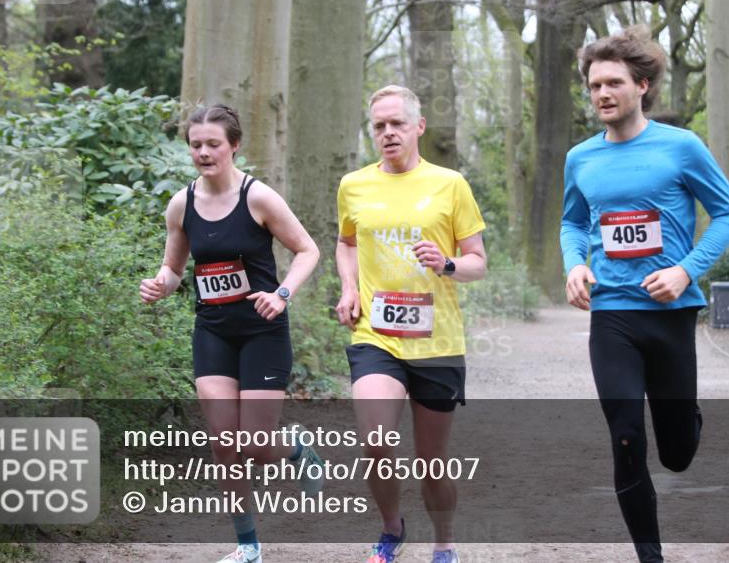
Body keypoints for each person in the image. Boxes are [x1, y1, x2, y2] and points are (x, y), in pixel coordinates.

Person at [560, 26, 729, 563]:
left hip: (670, 314)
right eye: (594, 86)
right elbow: (572, 222)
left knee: (677, 454)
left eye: (613, 83)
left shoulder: (681, 147)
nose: (601, 95)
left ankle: (688, 421)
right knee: (624, 436)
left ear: (642, 85)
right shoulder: (581, 159)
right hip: (612, 314)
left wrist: (686, 272)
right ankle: (650, 556)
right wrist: (575, 265)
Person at [139, 104, 323, 563]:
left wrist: (281, 293)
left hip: (263, 331)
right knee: (224, 443)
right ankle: (248, 547)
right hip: (214, 331)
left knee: (257, 445)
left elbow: (307, 250)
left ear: (234, 145)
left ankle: (297, 447)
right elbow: (175, 267)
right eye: (196, 145)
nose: (204, 152)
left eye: (213, 144)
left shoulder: (258, 198)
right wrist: (161, 284)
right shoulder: (181, 204)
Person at [335, 85, 487, 563]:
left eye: (397, 124)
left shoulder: (451, 184)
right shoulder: (353, 185)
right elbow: (347, 242)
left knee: (431, 462)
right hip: (376, 336)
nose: (387, 133)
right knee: (375, 440)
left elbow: (478, 263)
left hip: (436, 341)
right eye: (378, 126)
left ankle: (443, 543)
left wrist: (445, 264)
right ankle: (392, 528)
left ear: (419, 126)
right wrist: (349, 287)